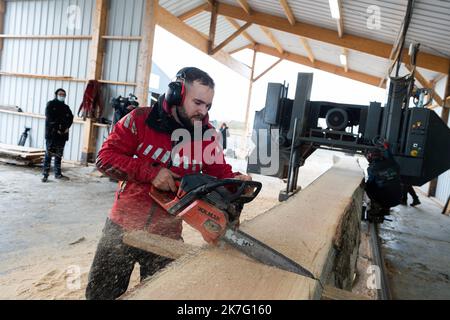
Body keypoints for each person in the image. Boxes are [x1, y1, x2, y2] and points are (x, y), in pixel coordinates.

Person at [86, 67, 252, 300]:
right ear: (177, 94)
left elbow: (218, 172)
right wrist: (149, 173)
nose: (202, 111)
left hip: (168, 231)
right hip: (123, 224)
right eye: (197, 103)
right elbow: (104, 159)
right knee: (100, 295)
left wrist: (235, 181)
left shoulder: (206, 135)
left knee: (162, 295)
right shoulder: (140, 120)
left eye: (208, 106)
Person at [42, 88, 74, 182]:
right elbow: (50, 118)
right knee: (49, 154)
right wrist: (57, 129)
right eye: (60, 94)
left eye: (63, 94)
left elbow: (70, 118)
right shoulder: (51, 104)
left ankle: (58, 174)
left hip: (62, 135)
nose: (62, 96)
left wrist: (66, 127)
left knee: (59, 155)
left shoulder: (66, 107)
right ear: (56, 94)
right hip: (52, 134)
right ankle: (45, 175)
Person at [365, 142, 402, 221]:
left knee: (368, 187)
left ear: (370, 157)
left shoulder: (372, 169)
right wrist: (387, 147)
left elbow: (370, 183)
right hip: (398, 199)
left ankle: (376, 206)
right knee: (388, 184)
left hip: (384, 200)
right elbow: (390, 156)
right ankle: (385, 209)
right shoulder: (392, 163)